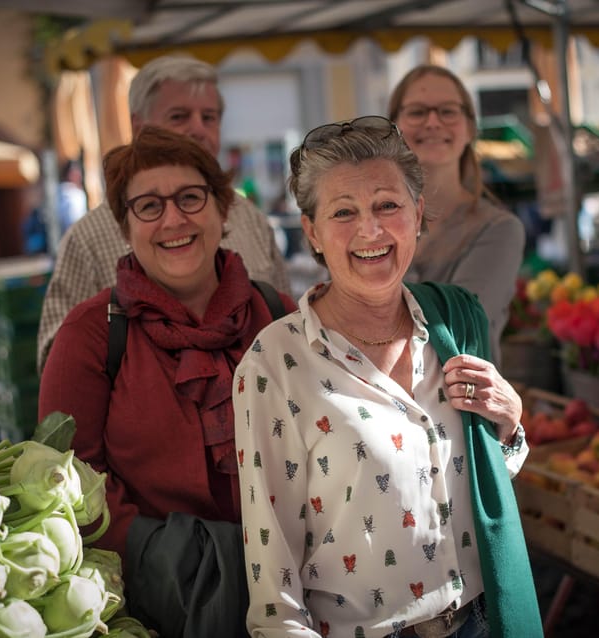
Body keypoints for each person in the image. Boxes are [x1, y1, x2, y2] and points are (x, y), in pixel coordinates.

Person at [232, 117, 542, 638]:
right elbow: (273, 575)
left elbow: (472, 489)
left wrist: (509, 429)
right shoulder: (275, 365)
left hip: (481, 622)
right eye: (344, 212)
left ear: (418, 214)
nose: (370, 230)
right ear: (312, 230)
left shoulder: (455, 323)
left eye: (387, 206)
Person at [38, 126, 297, 637]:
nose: (173, 219)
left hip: (296, 583)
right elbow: (65, 479)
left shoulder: (276, 314)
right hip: (164, 605)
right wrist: (171, 557)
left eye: (190, 198)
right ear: (126, 226)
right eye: (149, 206)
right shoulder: (89, 335)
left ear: (224, 212)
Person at [37, 54, 291, 373]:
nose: (198, 129)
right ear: (139, 126)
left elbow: (287, 325)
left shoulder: (250, 217)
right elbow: (57, 361)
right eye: (179, 116)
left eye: (209, 117)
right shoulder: (89, 236)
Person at [388, 64, 526, 368]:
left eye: (448, 111)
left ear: (470, 128)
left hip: (460, 408)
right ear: (394, 127)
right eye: (417, 112)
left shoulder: (499, 230)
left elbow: (454, 327)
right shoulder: (376, 226)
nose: (433, 122)